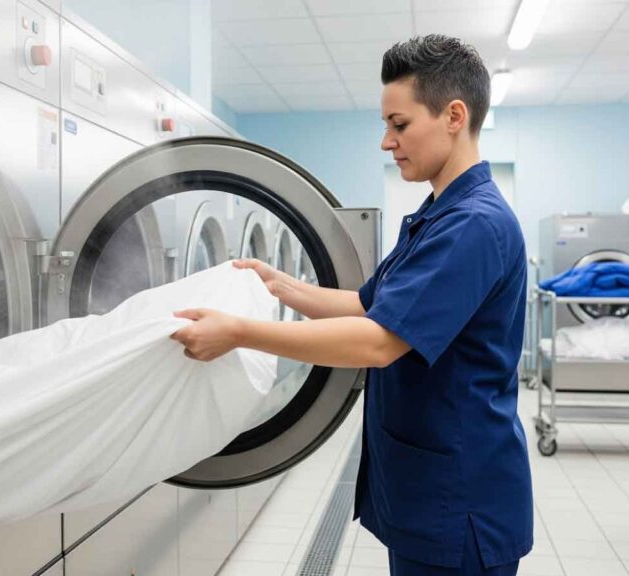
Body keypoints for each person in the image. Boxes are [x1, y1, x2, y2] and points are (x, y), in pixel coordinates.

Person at [170, 34, 531, 576]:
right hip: (429, 484)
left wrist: (240, 332)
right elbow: (369, 306)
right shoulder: (440, 212)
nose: (387, 142)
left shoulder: (472, 225)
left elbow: (378, 341)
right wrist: (279, 285)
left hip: (459, 498)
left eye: (400, 124)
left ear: (454, 115)